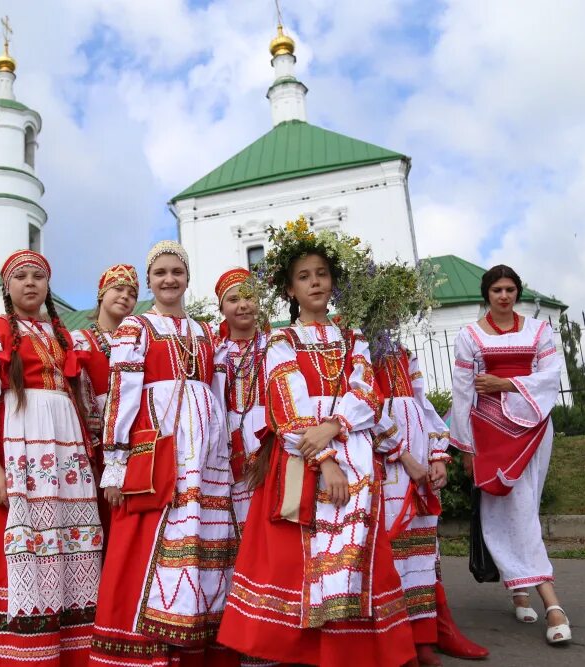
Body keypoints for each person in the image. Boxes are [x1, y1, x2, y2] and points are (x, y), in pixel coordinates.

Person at [216, 222, 415, 667]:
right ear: (290, 288)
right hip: (301, 460)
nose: (315, 282)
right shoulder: (282, 341)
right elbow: (286, 403)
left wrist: (336, 425)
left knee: (358, 552)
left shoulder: (354, 337)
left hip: (357, 455)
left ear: (333, 281)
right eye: (304, 276)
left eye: (321, 273)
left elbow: (368, 392)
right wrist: (324, 458)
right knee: (295, 560)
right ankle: (295, 652)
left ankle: (351, 653)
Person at [0, 250, 101, 666]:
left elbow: (84, 398)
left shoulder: (61, 335)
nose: (30, 283)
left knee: (69, 539)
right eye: (21, 277)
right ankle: (10, 653)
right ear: (7, 286)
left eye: (38, 276)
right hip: (21, 446)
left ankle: (68, 646)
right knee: (19, 540)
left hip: (64, 449)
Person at [89, 241, 238, 667]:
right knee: (153, 536)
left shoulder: (207, 333)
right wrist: (117, 464)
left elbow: (220, 395)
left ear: (187, 278)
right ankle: (146, 646)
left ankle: (193, 640)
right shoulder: (135, 328)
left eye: (177, 271)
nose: (169, 279)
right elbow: (121, 396)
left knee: (203, 537)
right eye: (160, 273)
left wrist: (225, 447)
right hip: (158, 446)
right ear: (150, 280)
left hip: (205, 449)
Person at [450, 264, 571, 646]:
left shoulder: (539, 330)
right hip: (490, 434)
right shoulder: (469, 336)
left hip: (535, 430)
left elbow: (552, 376)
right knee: (513, 510)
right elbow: (462, 393)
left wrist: (506, 383)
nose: (504, 296)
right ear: (486, 294)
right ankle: (552, 603)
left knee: (526, 508)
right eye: (497, 289)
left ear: (517, 292)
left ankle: (518, 589)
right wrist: (465, 447)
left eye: (510, 289)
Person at [71, 263, 139, 539]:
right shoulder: (80, 340)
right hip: (94, 442)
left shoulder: (137, 341)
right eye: (118, 289)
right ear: (101, 294)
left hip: (130, 439)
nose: (125, 296)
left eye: (132, 293)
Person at [211, 268, 268, 532]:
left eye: (248, 297)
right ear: (221, 307)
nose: (243, 305)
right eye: (233, 300)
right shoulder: (216, 354)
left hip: (271, 434)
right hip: (232, 442)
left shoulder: (276, 346)